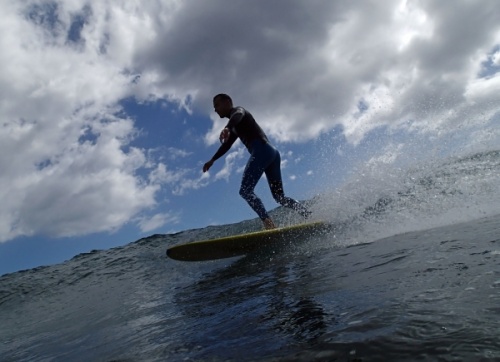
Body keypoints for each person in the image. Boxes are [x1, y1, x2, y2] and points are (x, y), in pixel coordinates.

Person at [203, 94, 311, 229]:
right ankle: (308, 214)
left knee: (245, 190)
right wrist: (212, 160)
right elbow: (227, 145)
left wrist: (227, 128)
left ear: (228, 102)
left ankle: (269, 224)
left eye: (217, 105)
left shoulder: (238, 112)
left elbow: (238, 115)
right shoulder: (235, 126)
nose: (215, 109)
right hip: (272, 154)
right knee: (279, 197)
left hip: (262, 151)